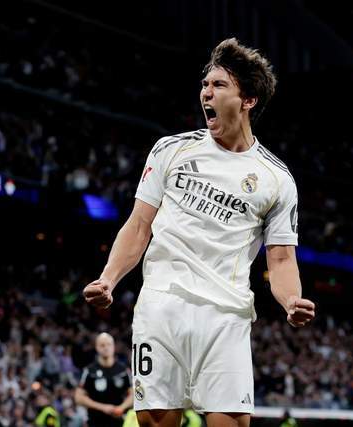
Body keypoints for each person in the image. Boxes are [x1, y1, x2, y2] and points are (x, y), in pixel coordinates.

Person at [83, 38, 315, 427]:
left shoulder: (277, 179)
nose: (206, 92)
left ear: (248, 100)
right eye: (205, 84)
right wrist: (109, 278)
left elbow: (280, 258)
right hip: (162, 305)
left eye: (219, 85)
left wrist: (291, 299)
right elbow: (139, 225)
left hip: (226, 317)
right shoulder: (170, 150)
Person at [75, 333, 134, 427]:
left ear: (114, 347)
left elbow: (133, 394)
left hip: (119, 422)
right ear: (97, 347)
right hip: (95, 422)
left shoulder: (123, 370)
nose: (106, 348)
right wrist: (103, 407)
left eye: (109, 344)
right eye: (102, 345)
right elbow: (78, 398)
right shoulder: (89, 371)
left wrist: (121, 407)